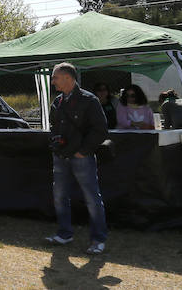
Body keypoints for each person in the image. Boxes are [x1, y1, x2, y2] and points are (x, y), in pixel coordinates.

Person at [46, 62, 109, 255]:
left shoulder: (89, 100)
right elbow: (53, 125)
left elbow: (100, 129)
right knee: (59, 196)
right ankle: (65, 234)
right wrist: (56, 142)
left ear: (68, 77)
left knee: (91, 197)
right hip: (61, 156)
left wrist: (83, 151)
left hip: (82, 157)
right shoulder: (57, 101)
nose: (53, 81)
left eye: (56, 77)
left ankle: (98, 240)